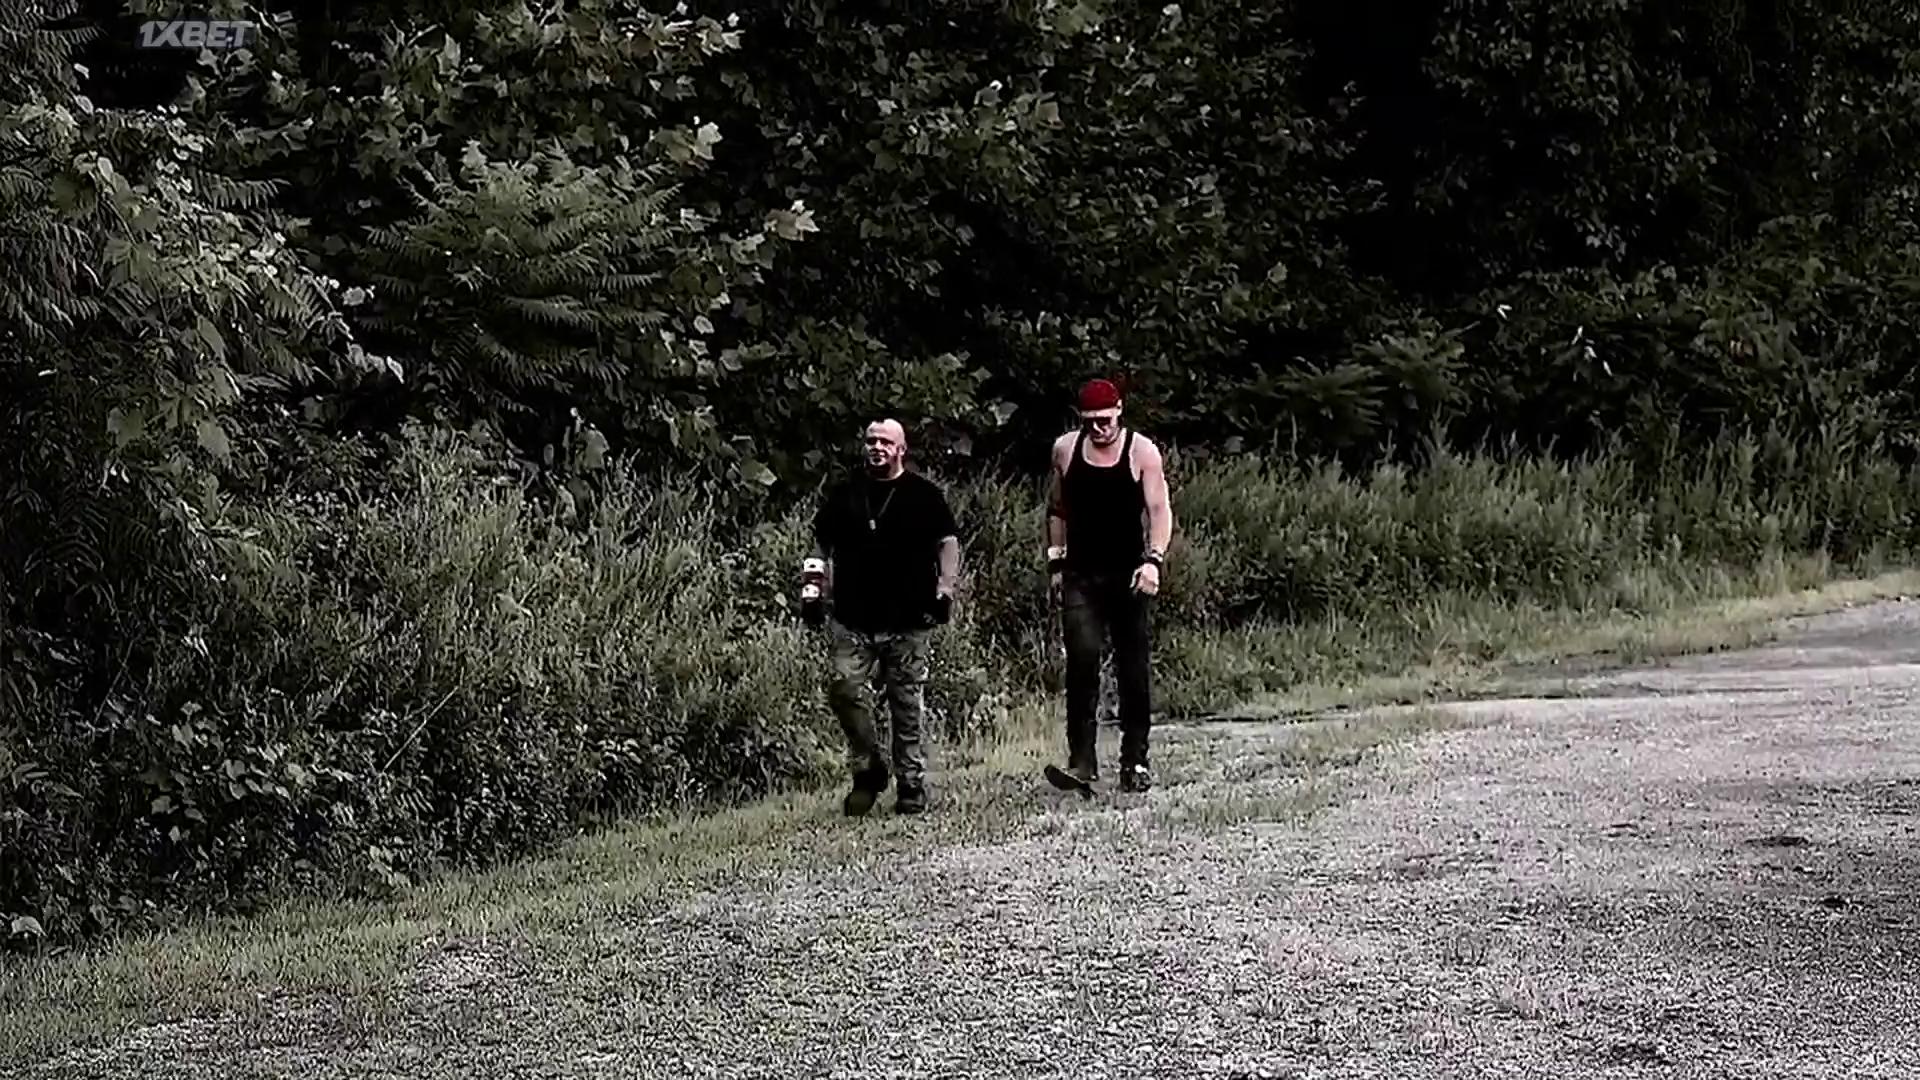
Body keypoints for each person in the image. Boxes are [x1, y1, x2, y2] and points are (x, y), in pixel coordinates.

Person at [802, 418, 961, 816]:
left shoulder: (923, 495)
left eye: (885, 442)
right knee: (844, 689)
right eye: (871, 440)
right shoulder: (846, 494)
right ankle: (868, 769)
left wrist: (945, 590)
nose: (876, 447)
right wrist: (811, 591)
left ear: (901, 449)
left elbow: (948, 543)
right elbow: (820, 545)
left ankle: (911, 783)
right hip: (852, 617)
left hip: (909, 618)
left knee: (905, 704)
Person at [1042, 378, 1173, 793]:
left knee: (1132, 667)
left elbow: (1159, 510)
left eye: (1105, 420)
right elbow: (1056, 509)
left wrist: (1153, 560)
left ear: (1119, 412)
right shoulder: (1066, 450)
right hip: (1081, 574)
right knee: (1081, 660)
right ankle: (1082, 761)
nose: (1099, 429)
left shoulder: (1141, 452)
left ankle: (1135, 760)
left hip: (1128, 574)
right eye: (1090, 422)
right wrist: (1055, 561)